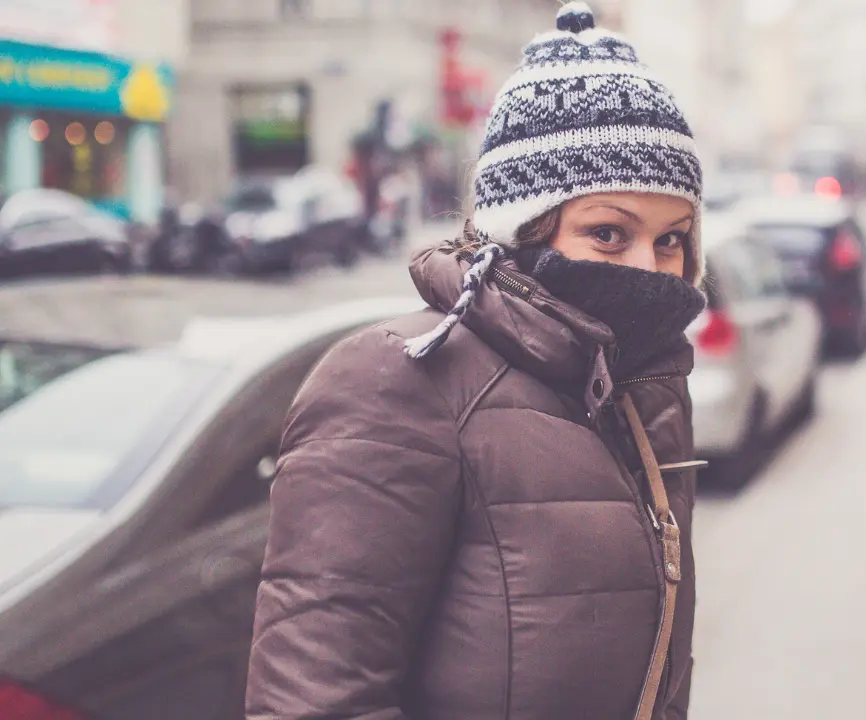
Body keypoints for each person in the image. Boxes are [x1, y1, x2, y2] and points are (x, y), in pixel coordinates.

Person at [244, 4, 705, 720]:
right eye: (609, 233)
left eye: (671, 240)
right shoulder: (397, 381)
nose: (649, 270)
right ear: (521, 232)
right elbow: (316, 702)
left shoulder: (636, 388)